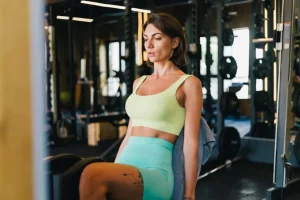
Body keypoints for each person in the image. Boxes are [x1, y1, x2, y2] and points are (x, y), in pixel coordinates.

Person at [79, 13, 203, 200]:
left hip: (154, 172)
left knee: (91, 174)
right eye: (146, 39)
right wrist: (114, 166)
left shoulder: (188, 84)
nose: (149, 45)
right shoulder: (139, 82)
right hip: (126, 165)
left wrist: (189, 193)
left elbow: (191, 143)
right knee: (75, 173)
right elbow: (130, 134)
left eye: (157, 38)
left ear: (175, 42)